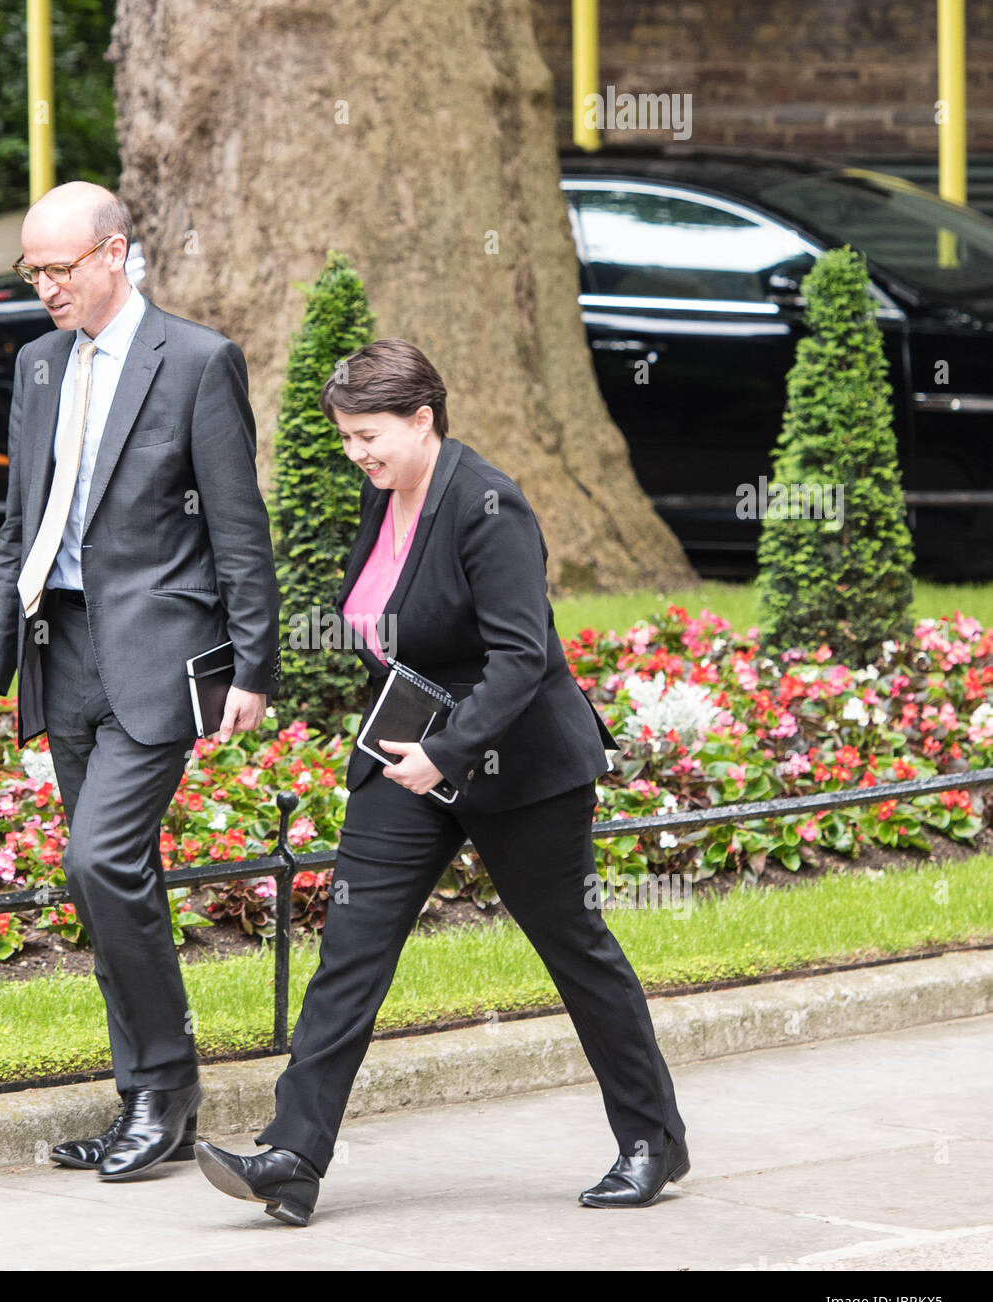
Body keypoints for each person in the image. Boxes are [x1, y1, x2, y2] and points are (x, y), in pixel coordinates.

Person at [194, 338, 687, 1225]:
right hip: (405, 751)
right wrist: (411, 745)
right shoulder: (382, 495)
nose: (358, 453)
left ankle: (652, 1139)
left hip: (518, 764)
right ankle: (293, 1157)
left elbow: (522, 655)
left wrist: (450, 752)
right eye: (346, 437)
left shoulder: (488, 504)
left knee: (574, 950)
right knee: (350, 949)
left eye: (370, 434)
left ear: (424, 418)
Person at [0, 181, 279, 1182]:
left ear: (114, 254)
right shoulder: (38, 365)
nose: (44, 286)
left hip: (158, 656)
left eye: (58, 267)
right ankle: (151, 1093)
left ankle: (161, 1090)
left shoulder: (196, 360)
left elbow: (238, 526)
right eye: (31, 270)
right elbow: (20, 532)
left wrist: (255, 665)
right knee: (102, 884)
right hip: (63, 653)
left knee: (102, 860)